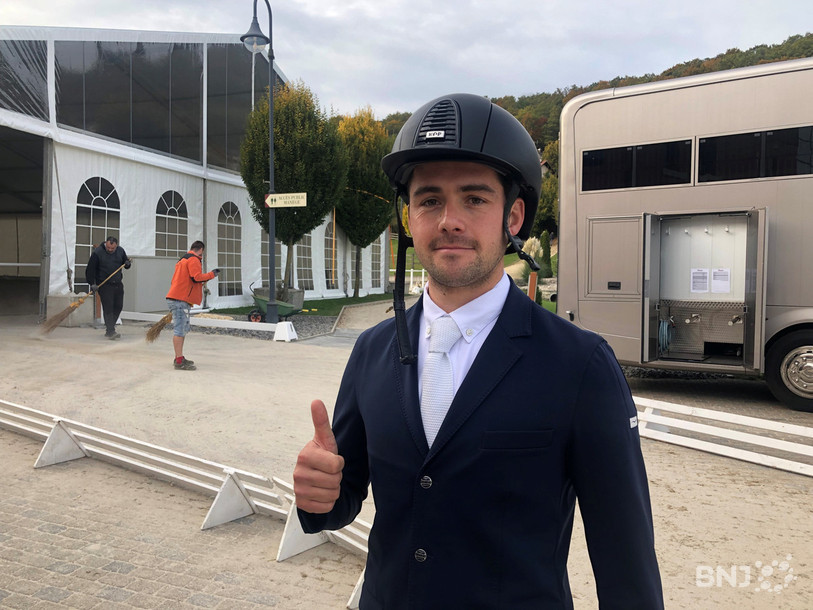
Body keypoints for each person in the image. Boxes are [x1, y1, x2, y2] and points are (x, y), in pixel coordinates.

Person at [293, 93, 663, 608]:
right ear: (408, 218)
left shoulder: (579, 365)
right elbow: (344, 497)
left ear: (513, 217)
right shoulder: (371, 351)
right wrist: (320, 496)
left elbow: (625, 560)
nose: (449, 220)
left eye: (474, 198)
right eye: (429, 200)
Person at [165, 241, 219, 371]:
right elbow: (196, 277)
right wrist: (212, 274)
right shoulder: (194, 259)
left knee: (182, 329)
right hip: (180, 300)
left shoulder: (183, 259)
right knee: (179, 330)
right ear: (201, 250)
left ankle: (179, 357)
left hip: (177, 298)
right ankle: (179, 361)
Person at [86, 236, 131, 340]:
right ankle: (111, 331)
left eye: (112, 248)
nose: (110, 250)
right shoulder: (98, 253)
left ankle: (110, 328)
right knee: (108, 307)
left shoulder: (120, 251)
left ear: (116, 246)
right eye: (108, 248)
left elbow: (126, 263)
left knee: (118, 306)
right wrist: (92, 283)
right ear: (106, 243)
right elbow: (90, 269)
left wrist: (127, 264)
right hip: (104, 284)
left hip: (118, 283)